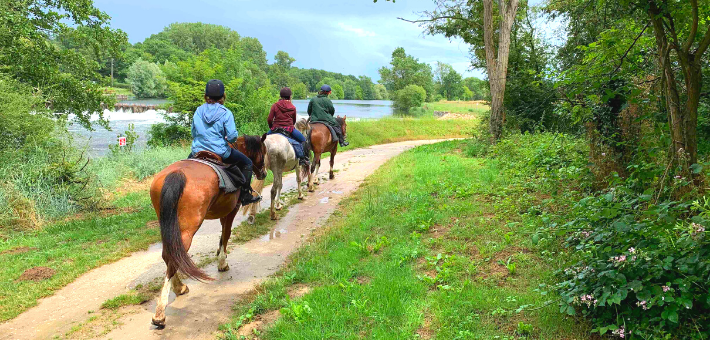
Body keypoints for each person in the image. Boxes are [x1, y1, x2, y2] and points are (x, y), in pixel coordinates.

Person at [191, 79, 261, 205]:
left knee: (186, 165)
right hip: (220, 151)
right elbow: (233, 136)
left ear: (206, 95)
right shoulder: (226, 113)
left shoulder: (198, 111)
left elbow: (193, 132)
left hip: (198, 150)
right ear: (222, 96)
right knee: (248, 163)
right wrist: (229, 139)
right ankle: (245, 195)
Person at [267, 87, 310, 166]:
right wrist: (290, 126)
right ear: (290, 96)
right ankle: (303, 159)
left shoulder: (275, 105)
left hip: (275, 129)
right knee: (303, 140)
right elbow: (293, 121)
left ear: (280, 96)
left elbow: (269, 119)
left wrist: (271, 127)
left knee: (262, 142)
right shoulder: (293, 107)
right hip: (289, 129)